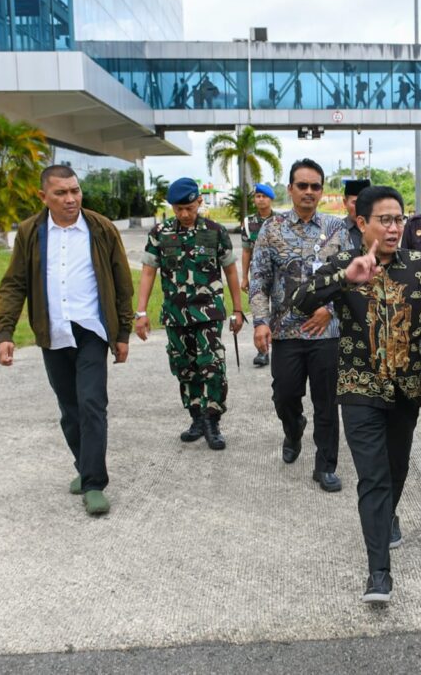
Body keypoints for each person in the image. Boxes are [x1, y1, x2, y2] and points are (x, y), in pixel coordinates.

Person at [291, 186, 421, 604]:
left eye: (399, 219)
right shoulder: (342, 265)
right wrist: (345, 277)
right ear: (362, 223)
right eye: (385, 220)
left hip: (407, 390)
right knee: (374, 476)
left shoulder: (420, 266)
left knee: (396, 470)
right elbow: (299, 302)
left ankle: (388, 516)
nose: (394, 227)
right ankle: (378, 572)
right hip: (358, 388)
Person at [0, 165, 133, 516]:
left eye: (75, 191)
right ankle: (84, 466)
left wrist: (122, 333)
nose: (71, 199)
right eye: (61, 193)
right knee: (69, 411)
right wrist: (5, 333)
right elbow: (14, 284)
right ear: (43, 196)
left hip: (91, 329)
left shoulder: (100, 228)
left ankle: (93, 484)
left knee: (91, 404)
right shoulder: (31, 232)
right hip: (53, 331)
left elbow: (121, 280)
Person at [250, 159, 348, 492]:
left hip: (326, 332)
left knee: (327, 401)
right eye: (302, 185)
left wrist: (331, 308)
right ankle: (293, 430)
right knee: (285, 395)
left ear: (322, 190)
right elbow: (259, 278)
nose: (308, 192)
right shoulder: (272, 228)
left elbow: (351, 277)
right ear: (290, 188)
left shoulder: (337, 229)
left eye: (315, 186)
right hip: (286, 331)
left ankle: (326, 466)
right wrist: (261, 322)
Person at [135, 177, 244, 450]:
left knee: (212, 366)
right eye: (178, 208)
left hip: (208, 314)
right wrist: (141, 312)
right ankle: (196, 416)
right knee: (184, 367)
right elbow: (149, 272)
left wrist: (238, 309)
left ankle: (212, 421)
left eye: (189, 208)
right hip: (176, 314)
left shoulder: (214, 231)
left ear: (199, 202)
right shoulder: (160, 233)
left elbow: (231, 271)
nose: (184, 214)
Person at [241, 183, 276, 367]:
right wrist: (245, 276)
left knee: (278, 310)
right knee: (259, 311)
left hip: (279, 273)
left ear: (271, 199)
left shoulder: (281, 220)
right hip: (258, 273)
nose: (260, 199)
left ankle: (279, 347)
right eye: (257, 196)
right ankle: (262, 351)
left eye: (264, 196)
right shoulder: (248, 223)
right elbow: (246, 251)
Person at [342, 178, 370, 251]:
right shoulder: (337, 229)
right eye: (355, 203)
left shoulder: (377, 228)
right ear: (345, 202)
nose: (360, 207)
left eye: (364, 202)